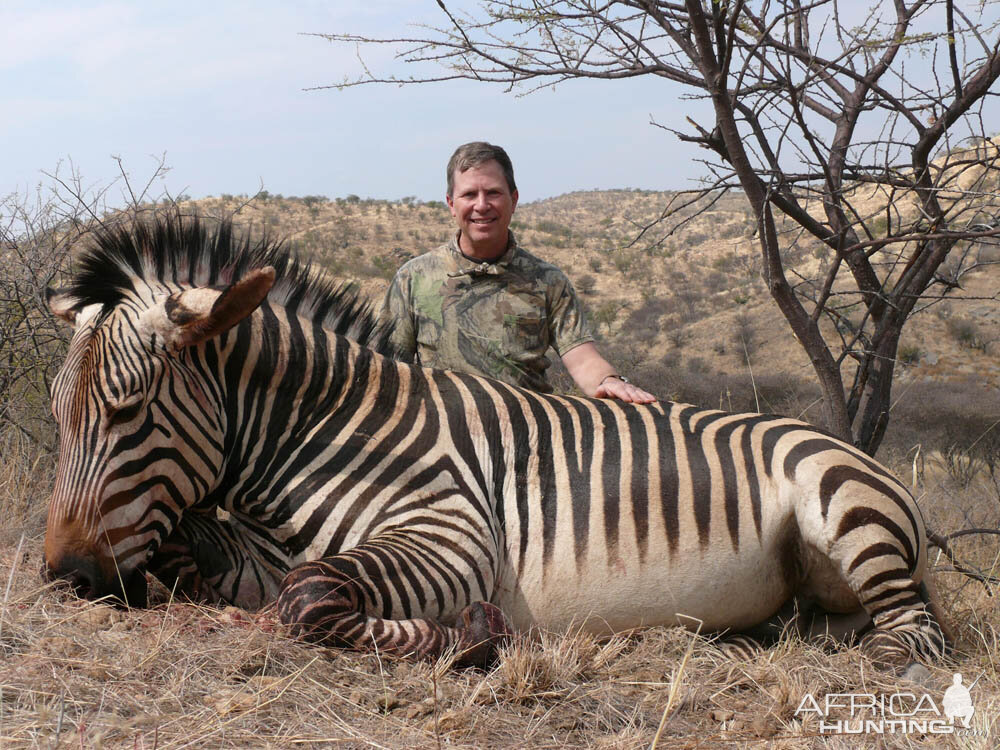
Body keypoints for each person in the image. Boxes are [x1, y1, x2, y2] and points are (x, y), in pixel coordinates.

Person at [380, 141, 655, 403]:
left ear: (513, 200)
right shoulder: (413, 279)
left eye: (493, 193)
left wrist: (609, 380)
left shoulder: (549, 281)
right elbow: (389, 371)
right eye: (469, 195)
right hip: (444, 443)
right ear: (452, 204)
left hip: (529, 440)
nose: (481, 205)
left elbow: (582, 359)